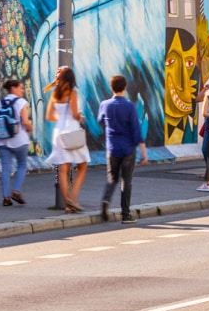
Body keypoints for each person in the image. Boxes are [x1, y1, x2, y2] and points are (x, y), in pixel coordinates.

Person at [97, 75, 149, 224]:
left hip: (112, 148)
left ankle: (106, 200)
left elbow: (101, 120)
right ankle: (126, 214)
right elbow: (136, 130)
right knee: (126, 181)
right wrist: (143, 151)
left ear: (111, 88)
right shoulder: (129, 106)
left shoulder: (105, 105)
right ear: (124, 88)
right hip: (128, 149)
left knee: (111, 178)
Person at [45, 67, 90, 213]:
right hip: (72, 132)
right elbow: (75, 114)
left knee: (63, 169)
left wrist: (61, 118)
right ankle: (73, 198)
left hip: (59, 133)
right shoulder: (72, 93)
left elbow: (50, 117)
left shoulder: (55, 95)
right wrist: (80, 118)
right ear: (72, 79)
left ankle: (68, 204)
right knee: (82, 166)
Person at [0, 78, 33, 206]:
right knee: (22, 165)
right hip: (19, 140)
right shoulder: (21, 102)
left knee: (6, 167)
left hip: (1, 140)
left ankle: (6, 197)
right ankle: (16, 190)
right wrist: (31, 129)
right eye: (21, 88)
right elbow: (25, 122)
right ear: (13, 88)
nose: (22, 90)